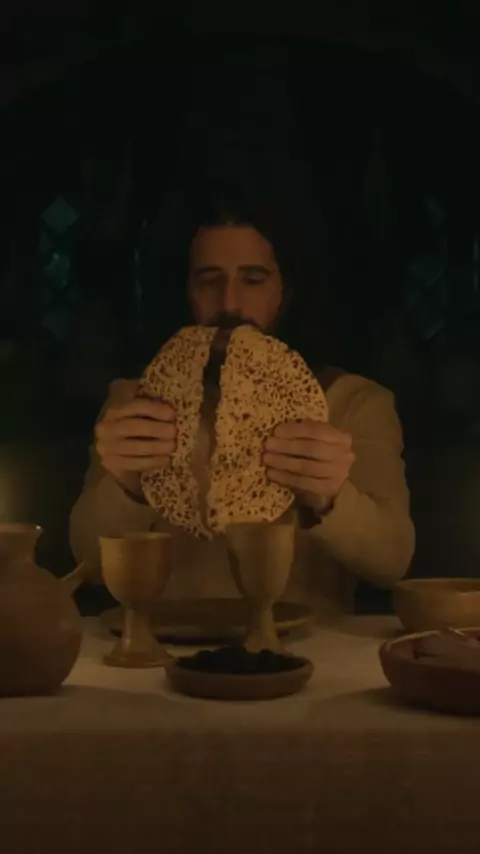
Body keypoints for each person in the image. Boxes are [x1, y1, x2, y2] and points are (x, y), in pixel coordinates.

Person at [70, 193, 415, 616]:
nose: (230, 303)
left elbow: (392, 562)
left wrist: (330, 498)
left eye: (253, 279)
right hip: (165, 646)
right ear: (186, 290)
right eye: (209, 280)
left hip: (311, 648)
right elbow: (87, 564)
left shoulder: (354, 404)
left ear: (286, 290)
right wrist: (126, 486)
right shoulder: (134, 404)